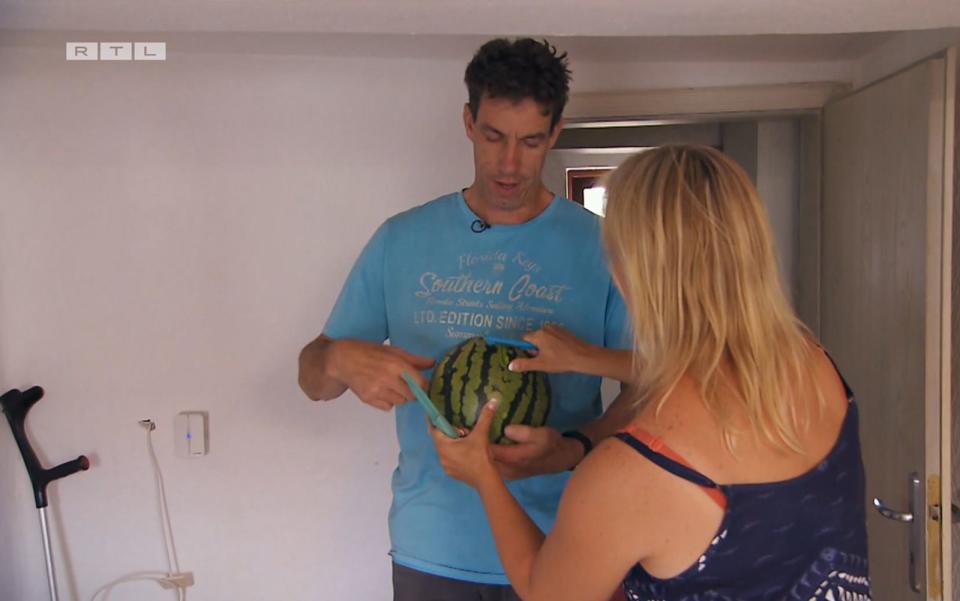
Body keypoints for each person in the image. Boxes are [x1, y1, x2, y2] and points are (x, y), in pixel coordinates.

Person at [432, 145, 872, 600]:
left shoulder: (632, 472)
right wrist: (589, 359)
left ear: (629, 274)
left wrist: (482, 473)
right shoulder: (814, 363)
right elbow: (713, 363)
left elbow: (547, 593)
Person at [298, 37, 634, 600]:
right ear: (468, 122)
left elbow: (653, 388)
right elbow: (312, 380)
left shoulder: (602, 248)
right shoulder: (401, 239)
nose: (508, 164)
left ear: (555, 133)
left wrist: (576, 444)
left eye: (530, 142)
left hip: (565, 542)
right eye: (493, 136)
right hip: (435, 548)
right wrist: (336, 358)